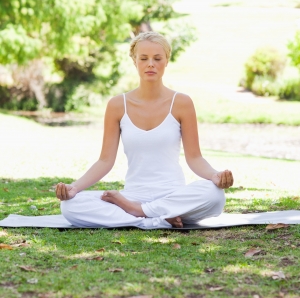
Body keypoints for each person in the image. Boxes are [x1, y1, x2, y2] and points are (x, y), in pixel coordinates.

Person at [56, 32, 234, 229]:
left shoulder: (182, 103)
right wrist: (74, 188)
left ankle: (141, 213)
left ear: (166, 61)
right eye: (144, 58)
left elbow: (195, 158)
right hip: (133, 195)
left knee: (215, 194)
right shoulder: (117, 105)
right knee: (70, 206)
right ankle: (157, 219)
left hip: (172, 195)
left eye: (157, 58)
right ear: (134, 61)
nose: (151, 64)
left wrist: (214, 175)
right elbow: (105, 161)